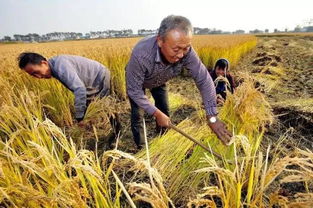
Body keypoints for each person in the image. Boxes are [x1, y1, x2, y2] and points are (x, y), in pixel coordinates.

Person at [126, 15, 233, 149]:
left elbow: (204, 79)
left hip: (160, 80)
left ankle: (162, 143)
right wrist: (156, 113)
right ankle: (142, 148)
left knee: (164, 111)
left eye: (186, 48)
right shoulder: (141, 55)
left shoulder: (185, 50)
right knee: (138, 114)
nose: (181, 55)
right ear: (160, 41)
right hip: (139, 82)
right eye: (176, 50)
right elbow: (134, 90)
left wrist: (212, 117)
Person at [17, 52, 121, 140]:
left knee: (105, 105)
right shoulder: (55, 66)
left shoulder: (60, 67)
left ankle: (117, 132)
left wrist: (79, 117)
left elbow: (79, 89)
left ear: (44, 63)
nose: (38, 77)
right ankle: (93, 131)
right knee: (91, 106)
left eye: (37, 72)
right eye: (33, 75)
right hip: (89, 81)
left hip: (99, 76)